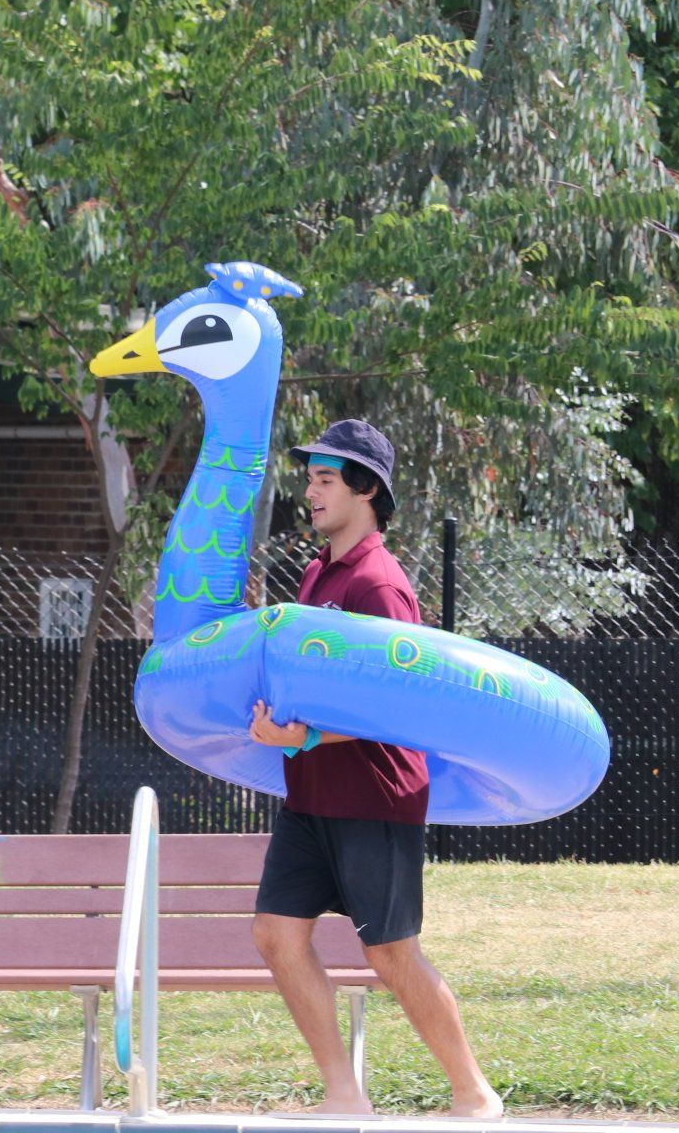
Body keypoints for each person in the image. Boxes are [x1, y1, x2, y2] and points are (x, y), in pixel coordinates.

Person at [247, 420, 503, 1118]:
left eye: (326, 480)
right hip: (311, 797)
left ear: (366, 491)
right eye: (310, 478)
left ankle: (473, 1092)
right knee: (276, 933)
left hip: (374, 797)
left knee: (390, 955)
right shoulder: (316, 572)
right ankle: (343, 1093)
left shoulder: (379, 586)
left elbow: (398, 709)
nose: (311, 491)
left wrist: (301, 737)